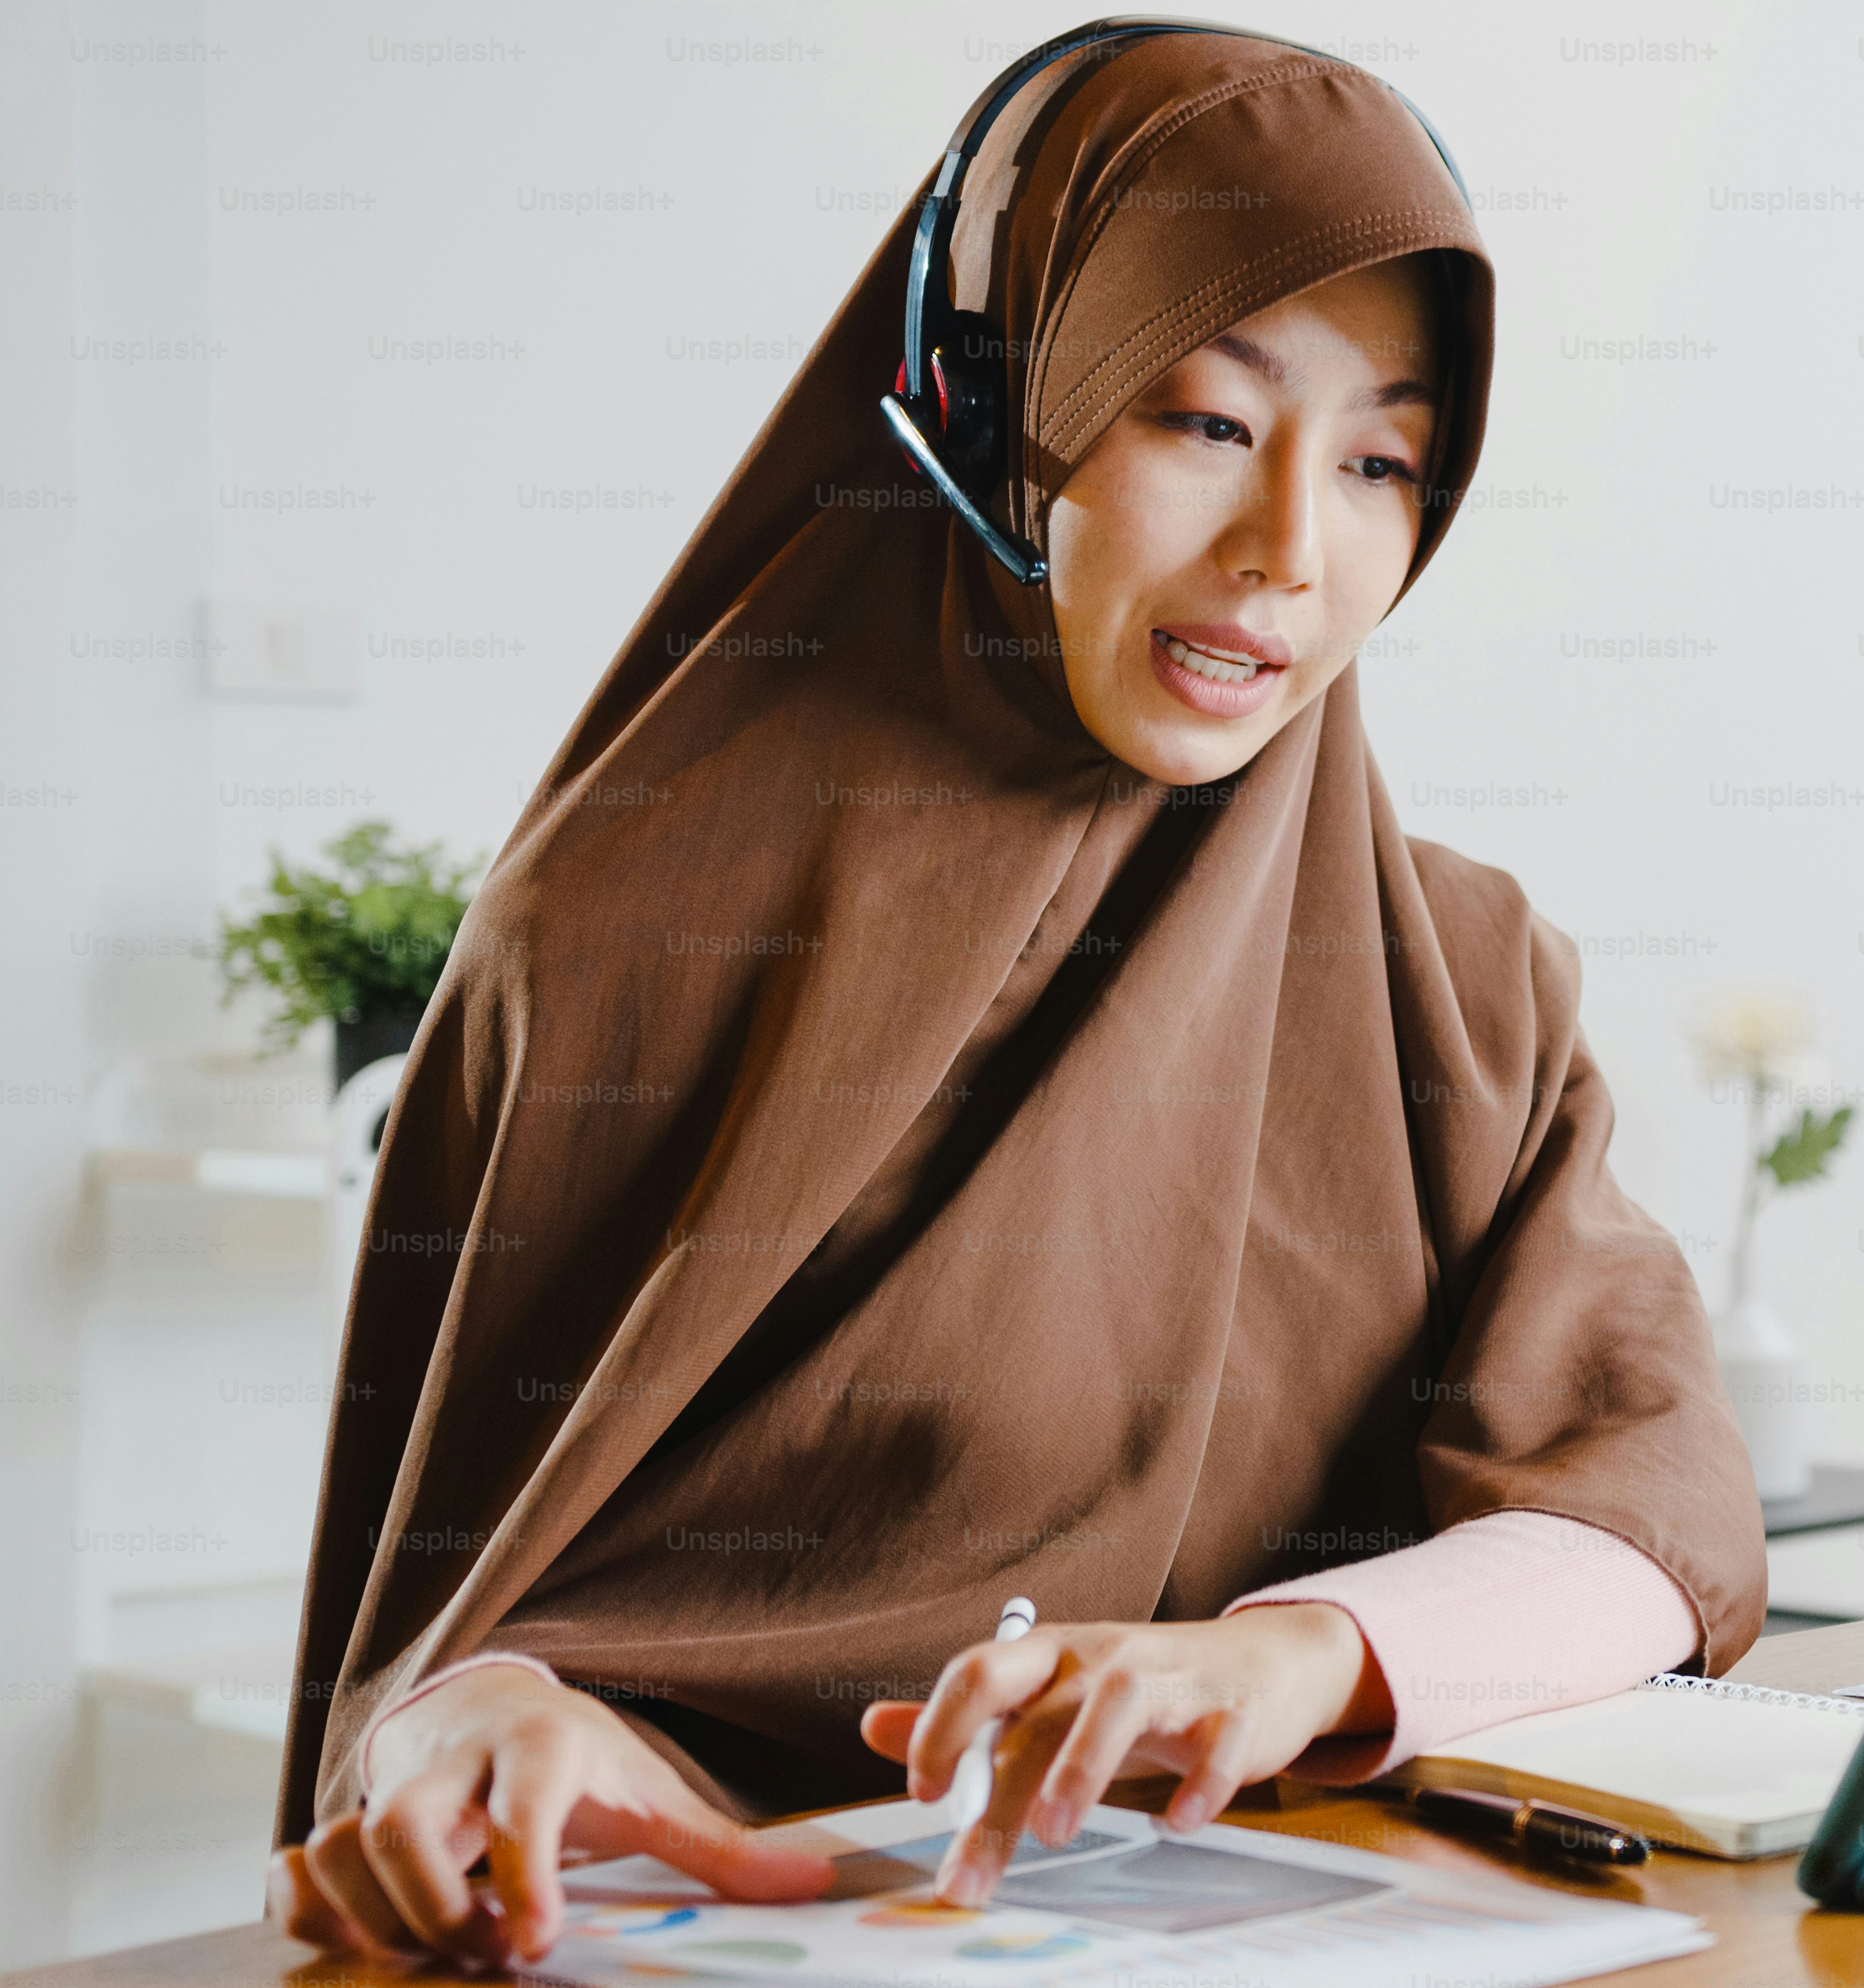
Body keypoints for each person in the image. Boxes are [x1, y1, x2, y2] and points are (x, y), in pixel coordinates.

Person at [269, 29, 1762, 1968]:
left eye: (1383, 463)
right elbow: (468, 1633)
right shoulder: (639, 934)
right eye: (1203, 421)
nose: (1290, 553)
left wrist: (1295, 1659)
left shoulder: (1462, 978)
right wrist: (480, 1725)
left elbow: (1653, 1515)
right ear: (981, 414)